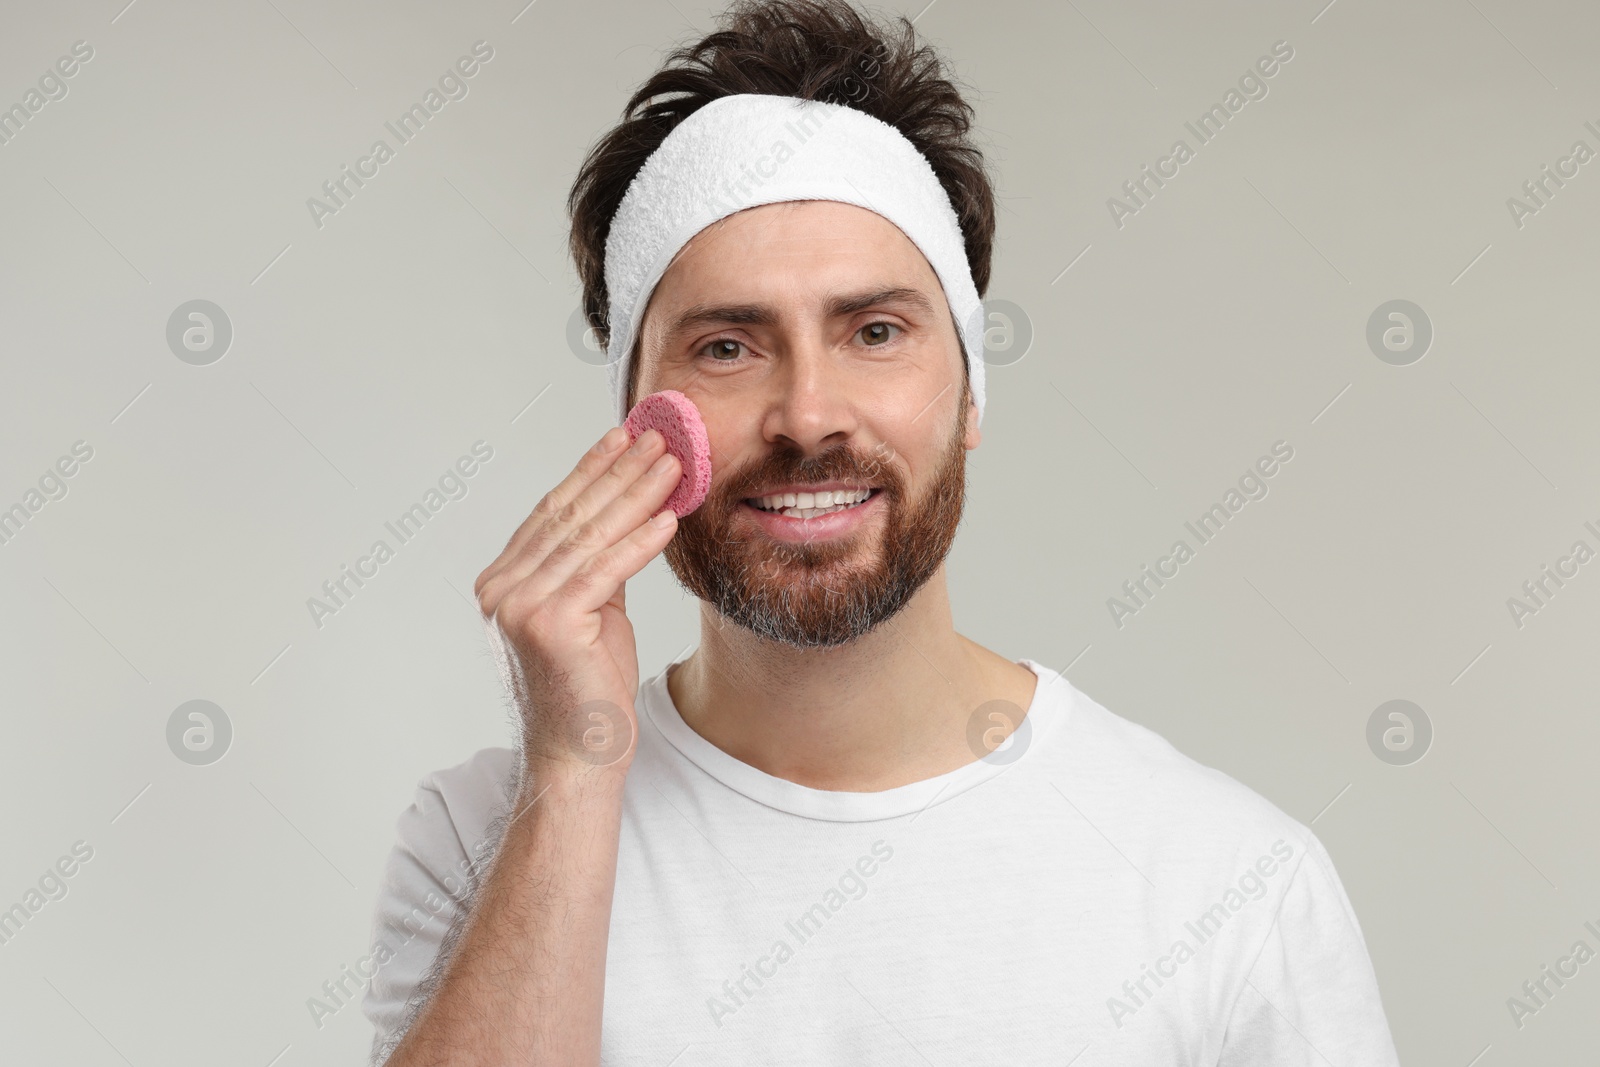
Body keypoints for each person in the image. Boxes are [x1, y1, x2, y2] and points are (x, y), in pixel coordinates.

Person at [360, 2, 1401, 1063]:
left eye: (874, 331)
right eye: (725, 346)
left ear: (969, 395)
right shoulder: (483, 835)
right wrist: (573, 769)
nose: (808, 414)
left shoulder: (1229, 883)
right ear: (633, 418)